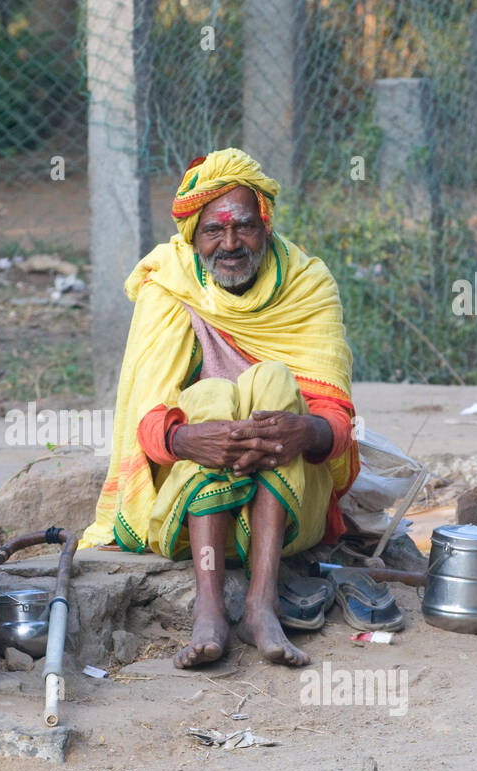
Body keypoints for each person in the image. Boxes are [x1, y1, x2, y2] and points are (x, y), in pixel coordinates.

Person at [80, 148, 359, 670]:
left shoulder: (308, 284)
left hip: (289, 506)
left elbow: (339, 424)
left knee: (272, 381)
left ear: (266, 225)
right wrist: (188, 440)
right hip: (191, 519)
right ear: (193, 236)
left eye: (244, 228)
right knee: (209, 397)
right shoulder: (168, 284)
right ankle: (209, 608)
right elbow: (146, 419)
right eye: (214, 231)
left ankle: (261, 603)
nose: (230, 244)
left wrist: (306, 431)